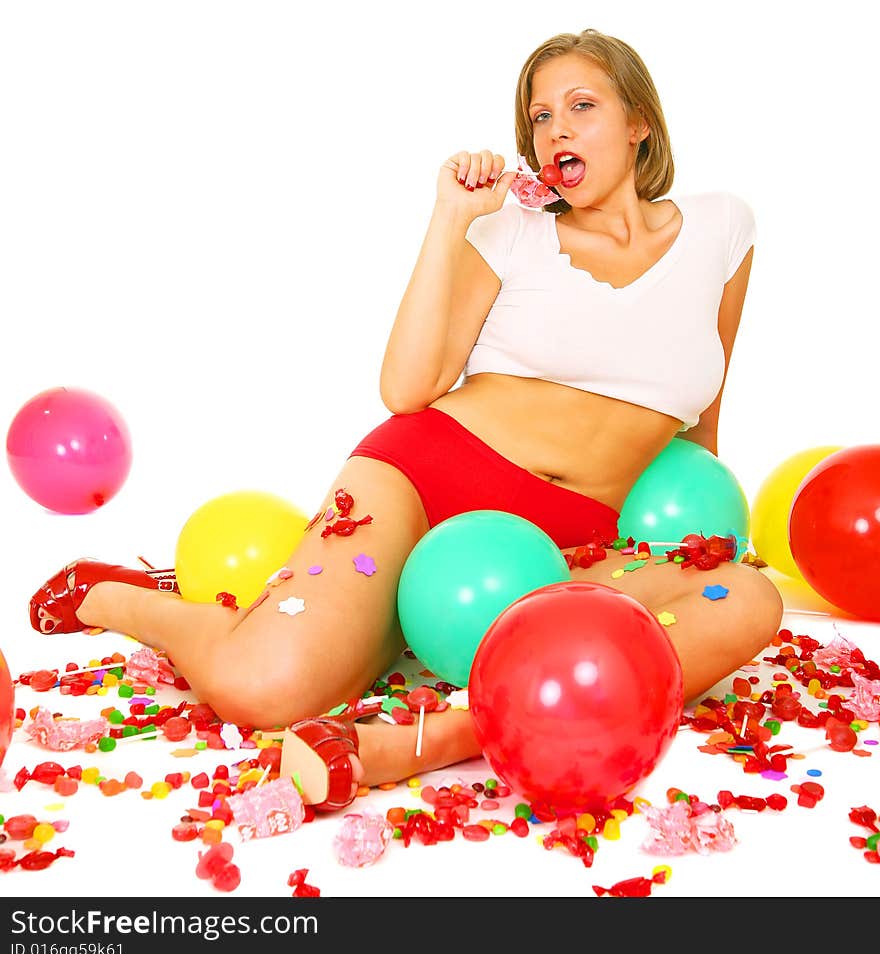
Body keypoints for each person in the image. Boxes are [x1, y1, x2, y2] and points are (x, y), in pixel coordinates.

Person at [28, 27, 783, 812]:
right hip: (425, 479)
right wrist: (451, 217)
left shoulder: (722, 231)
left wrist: (710, 527)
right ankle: (122, 600)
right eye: (539, 116)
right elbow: (406, 387)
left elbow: (702, 415)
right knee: (268, 685)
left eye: (581, 106)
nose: (555, 129)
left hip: (565, 541)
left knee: (748, 601)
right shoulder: (512, 228)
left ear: (639, 123)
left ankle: (438, 735)